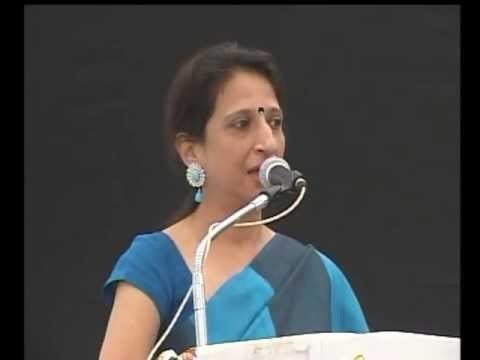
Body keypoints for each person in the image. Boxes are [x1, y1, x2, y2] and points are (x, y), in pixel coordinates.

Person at [98, 42, 369, 360]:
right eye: (242, 124)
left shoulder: (319, 276)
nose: (267, 142)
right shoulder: (155, 263)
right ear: (191, 151)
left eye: (275, 122)